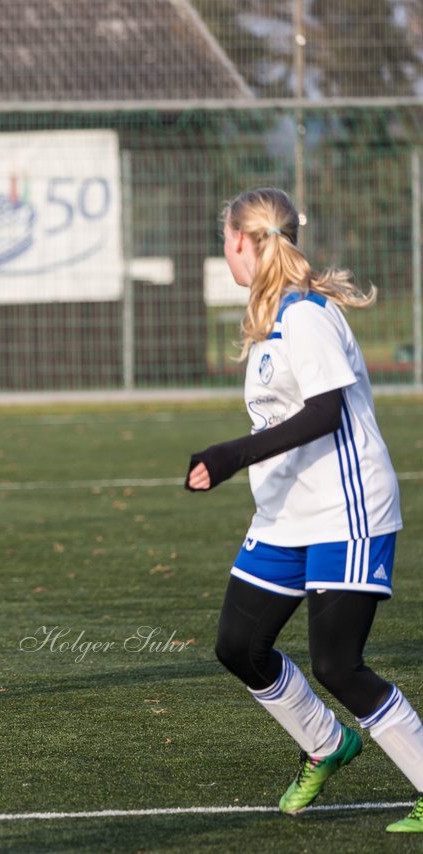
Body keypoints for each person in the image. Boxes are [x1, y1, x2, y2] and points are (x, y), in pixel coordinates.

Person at [186, 188, 423, 831]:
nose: (226, 250)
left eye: (226, 239)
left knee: (337, 664)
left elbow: (324, 413)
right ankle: (325, 743)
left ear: (242, 241)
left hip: (347, 511)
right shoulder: (273, 320)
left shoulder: (307, 315)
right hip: (287, 514)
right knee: (240, 645)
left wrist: (233, 453)